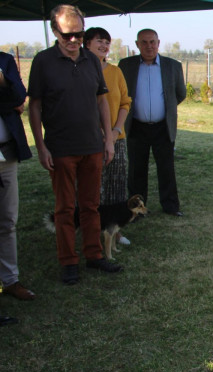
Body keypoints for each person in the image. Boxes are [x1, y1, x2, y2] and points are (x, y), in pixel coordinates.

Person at [28, 4, 123, 285]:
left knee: (91, 206)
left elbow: (101, 101)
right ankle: (69, 262)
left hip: (93, 147)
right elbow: (35, 106)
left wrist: (108, 139)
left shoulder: (92, 61)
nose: (73, 42)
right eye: (67, 36)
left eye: (79, 36)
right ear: (55, 31)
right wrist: (41, 147)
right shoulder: (43, 62)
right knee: (65, 208)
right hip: (60, 149)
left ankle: (94, 256)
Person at [118, 29, 186, 217]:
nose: (149, 46)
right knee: (136, 170)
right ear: (137, 44)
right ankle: (136, 210)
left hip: (162, 127)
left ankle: (171, 206)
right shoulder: (126, 65)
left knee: (166, 169)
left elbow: (180, 93)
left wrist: (165, 108)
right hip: (136, 127)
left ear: (158, 42)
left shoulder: (172, 66)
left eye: (152, 42)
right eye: (144, 42)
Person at [84, 27, 132, 246]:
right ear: (86, 44)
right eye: (98, 41)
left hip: (116, 140)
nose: (103, 46)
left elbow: (125, 102)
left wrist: (114, 131)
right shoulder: (79, 70)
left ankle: (115, 232)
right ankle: (92, 232)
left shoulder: (115, 71)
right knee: (93, 189)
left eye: (107, 42)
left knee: (117, 187)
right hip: (88, 140)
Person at [0, 51, 36, 301]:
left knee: (8, 220)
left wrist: (2, 83)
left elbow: (19, 97)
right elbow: (11, 104)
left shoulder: (4, 60)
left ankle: (10, 280)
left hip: (6, 154)